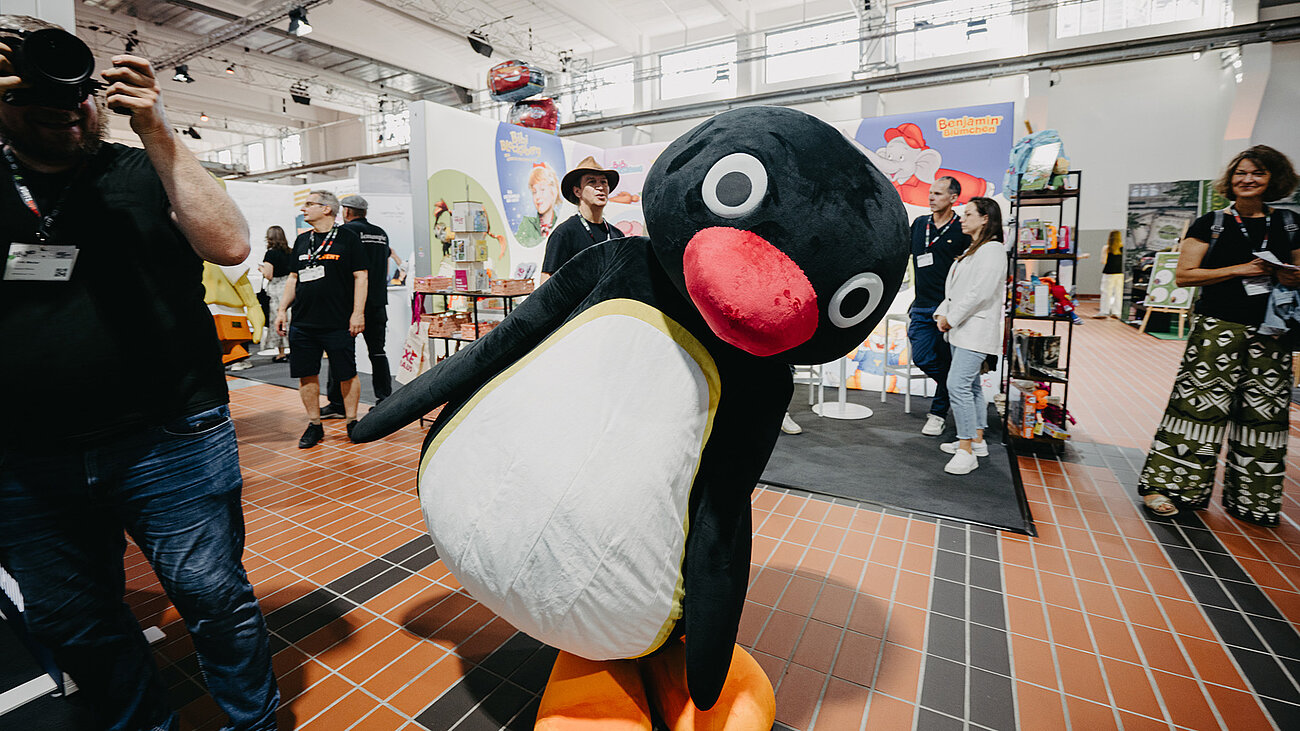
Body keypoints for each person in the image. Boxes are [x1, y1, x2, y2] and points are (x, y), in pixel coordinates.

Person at [0, 15, 279, 731]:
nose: (66, 111)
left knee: (213, 595)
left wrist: (157, 128)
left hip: (172, 437)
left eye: (77, 97)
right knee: (74, 618)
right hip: (27, 460)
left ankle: (252, 721)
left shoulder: (140, 167)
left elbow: (231, 242)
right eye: (33, 96)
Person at [1138, 145, 1300, 524]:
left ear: (1273, 180)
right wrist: (1240, 269)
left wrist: (1289, 275)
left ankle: (1254, 500)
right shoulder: (1211, 223)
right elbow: (1185, 275)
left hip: (1272, 331)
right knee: (1195, 409)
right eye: (1242, 172)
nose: (1248, 180)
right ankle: (1169, 487)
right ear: (1231, 179)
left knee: (1266, 415)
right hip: (1217, 328)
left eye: (1258, 173)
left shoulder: (1290, 223)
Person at [274, 190, 367, 448]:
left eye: (309, 204)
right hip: (303, 322)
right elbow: (294, 277)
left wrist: (357, 312)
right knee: (306, 374)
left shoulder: (348, 238)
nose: (303, 209)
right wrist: (282, 309)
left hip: (338, 320)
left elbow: (361, 276)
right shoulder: (303, 241)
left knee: (346, 373)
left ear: (327, 208)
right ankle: (315, 425)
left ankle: (352, 422)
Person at [934, 197, 1008, 475]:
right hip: (962, 331)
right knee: (972, 386)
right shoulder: (976, 250)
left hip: (974, 331)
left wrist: (950, 318)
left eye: (968, 214)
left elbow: (979, 293)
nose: (962, 218)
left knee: (958, 386)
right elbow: (958, 291)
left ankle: (966, 449)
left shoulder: (992, 250)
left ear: (985, 218)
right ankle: (976, 440)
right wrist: (944, 314)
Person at [321, 194, 401, 415]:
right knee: (377, 352)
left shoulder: (345, 233)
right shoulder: (381, 234)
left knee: (340, 352)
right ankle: (384, 399)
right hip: (377, 301)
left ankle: (337, 403)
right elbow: (383, 265)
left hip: (349, 304)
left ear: (346, 211)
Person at [907, 176, 971, 436]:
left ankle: (938, 413)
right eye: (930, 193)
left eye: (938, 194)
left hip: (949, 308)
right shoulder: (920, 224)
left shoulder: (962, 229)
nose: (931, 197)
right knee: (922, 356)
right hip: (922, 305)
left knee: (946, 358)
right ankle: (951, 385)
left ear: (953, 198)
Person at [540, 156, 621, 283]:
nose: (600, 187)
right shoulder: (565, 233)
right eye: (592, 182)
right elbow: (547, 281)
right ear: (578, 191)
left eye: (604, 182)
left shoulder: (616, 234)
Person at [259, 225, 293, 361]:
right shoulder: (291, 251)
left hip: (277, 288)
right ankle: (295, 348)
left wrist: (261, 269)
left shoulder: (270, 254)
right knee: (291, 318)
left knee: (278, 319)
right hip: (290, 286)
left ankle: (281, 353)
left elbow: (269, 275)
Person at [515, 162, 562, 247]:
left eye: (542, 189)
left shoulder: (561, 222)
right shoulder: (527, 224)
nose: (537, 196)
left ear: (553, 191)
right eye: (534, 192)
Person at [1096, 230, 1124, 319]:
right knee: (1119, 292)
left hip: (1109, 272)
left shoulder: (1107, 248)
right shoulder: (1123, 247)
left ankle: (1104, 311)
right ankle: (1117, 312)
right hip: (1120, 273)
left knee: (1106, 292)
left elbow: (1103, 261)